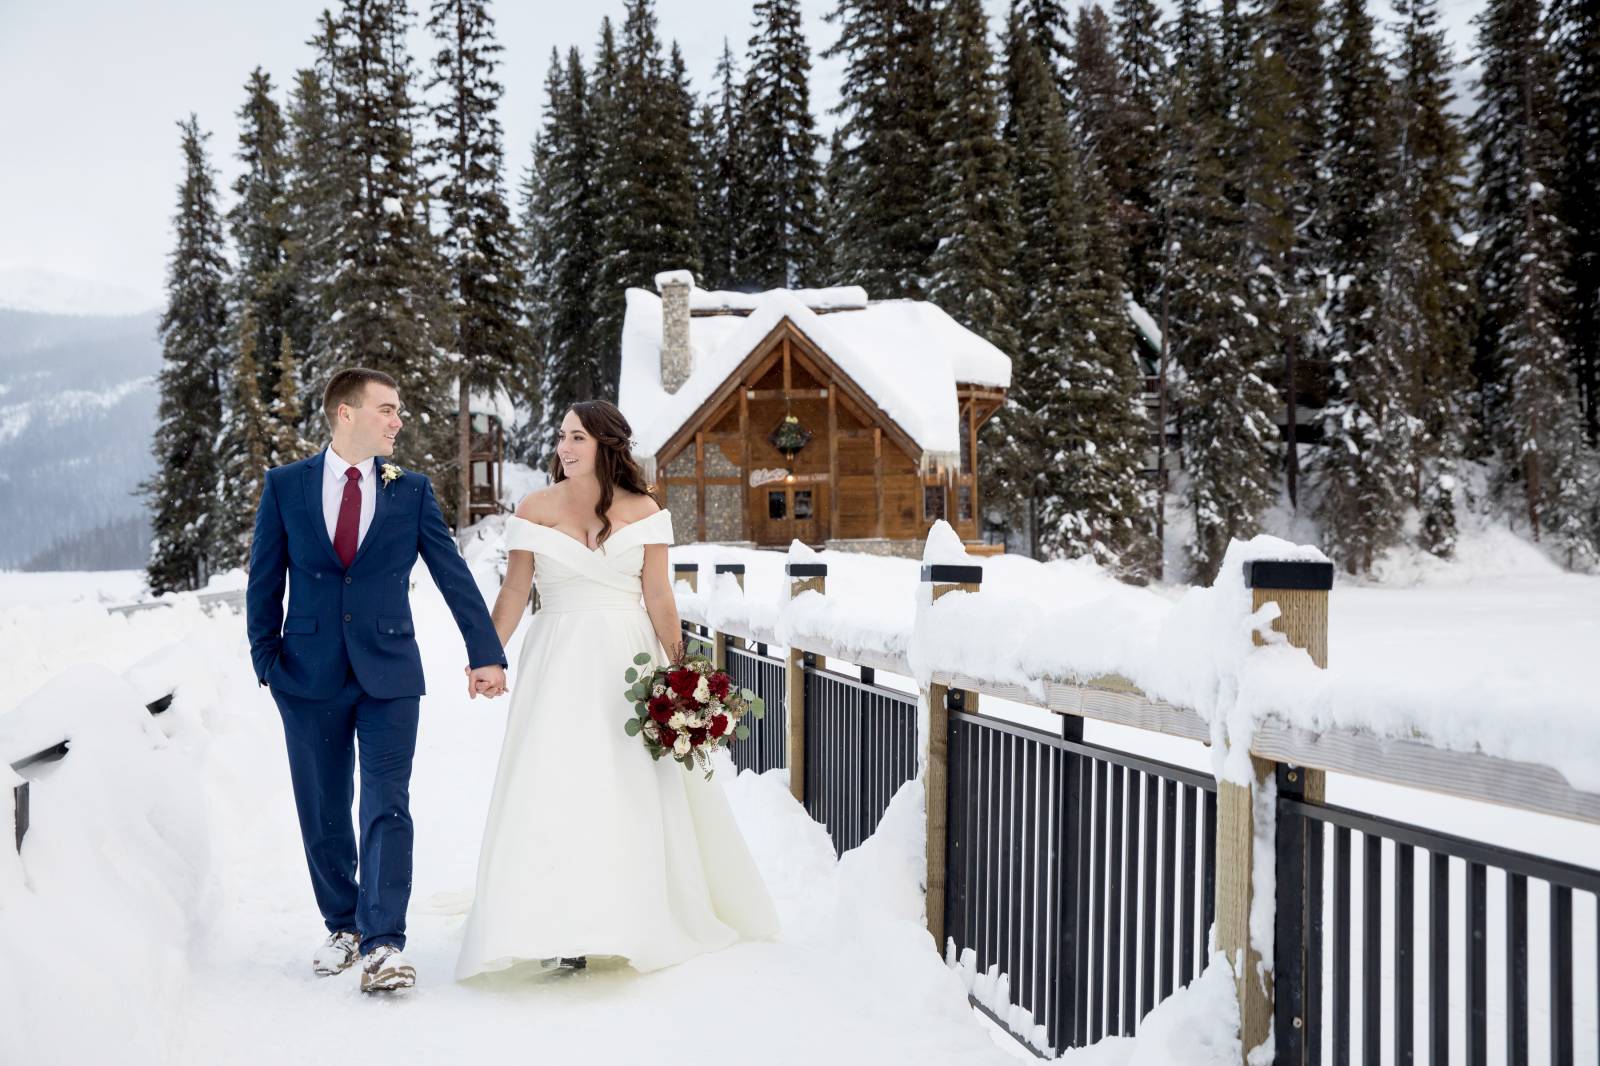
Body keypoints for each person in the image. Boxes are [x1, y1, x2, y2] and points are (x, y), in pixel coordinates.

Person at [455, 399, 779, 981]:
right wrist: (486, 655)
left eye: (577, 437)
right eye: (561, 437)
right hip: (557, 658)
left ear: (607, 444)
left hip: (628, 662)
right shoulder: (534, 508)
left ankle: (630, 914)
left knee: (627, 784)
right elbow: (513, 594)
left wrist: (685, 679)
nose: (564, 447)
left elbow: (659, 596)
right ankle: (555, 921)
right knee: (553, 781)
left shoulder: (645, 510)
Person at [246, 367, 508, 993]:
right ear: (346, 413)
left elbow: (451, 574)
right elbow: (264, 577)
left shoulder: (410, 490)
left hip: (389, 674)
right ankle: (344, 923)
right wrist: (266, 662)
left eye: (398, 412)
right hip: (306, 677)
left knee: (387, 802)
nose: (398, 422)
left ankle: (385, 942)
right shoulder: (286, 487)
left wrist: (486, 652)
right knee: (324, 806)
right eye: (387, 410)